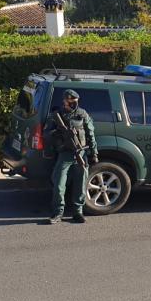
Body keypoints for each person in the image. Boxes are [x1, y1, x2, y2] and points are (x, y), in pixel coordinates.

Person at [44, 90, 98, 223]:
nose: (74, 104)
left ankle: (78, 212)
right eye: (71, 102)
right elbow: (46, 133)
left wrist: (94, 153)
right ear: (65, 101)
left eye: (76, 102)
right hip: (65, 154)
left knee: (81, 184)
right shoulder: (58, 115)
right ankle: (57, 213)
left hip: (81, 153)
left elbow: (90, 133)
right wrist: (58, 132)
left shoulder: (82, 114)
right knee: (59, 184)